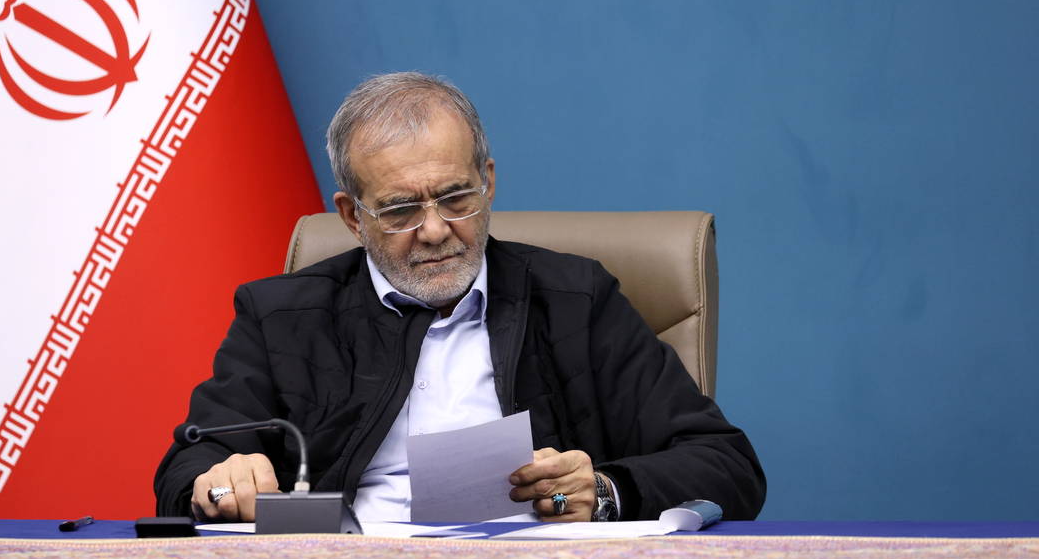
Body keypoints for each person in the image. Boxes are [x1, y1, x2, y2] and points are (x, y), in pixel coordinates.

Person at [154, 72, 765, 523]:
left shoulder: (576, 299)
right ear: (352, 216)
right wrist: (220, 484)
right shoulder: (281, 316)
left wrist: (604, 490)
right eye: (400, 209)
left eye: (455, 198)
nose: (435, 230)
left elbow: (727, 464)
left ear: (488, 183)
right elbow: (185, 470)